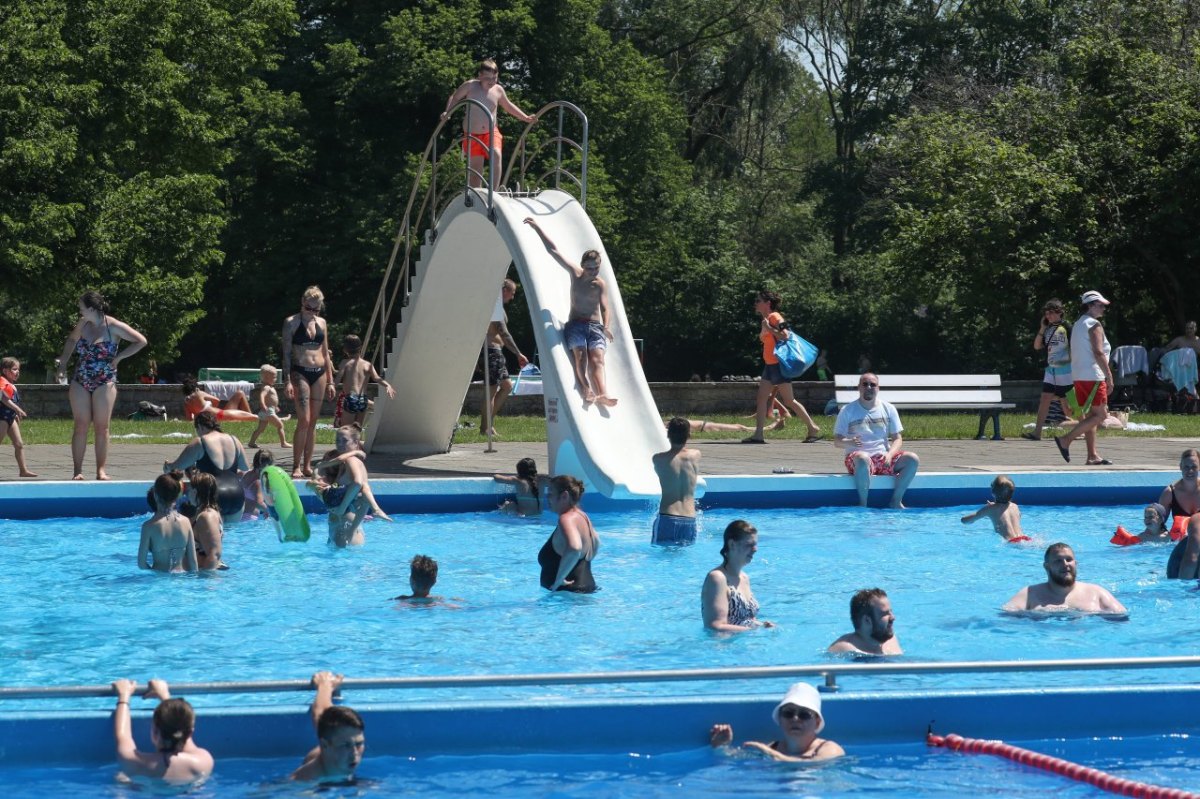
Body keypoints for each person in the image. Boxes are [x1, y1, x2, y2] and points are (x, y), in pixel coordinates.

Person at [523, 217, 618, 406]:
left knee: (597, 359)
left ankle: (603, 393)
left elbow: (606, 307)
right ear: (583, 266)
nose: (593, 271)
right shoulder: (575, 274)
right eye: (590, 267)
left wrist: (606, 327)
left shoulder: (600, 284)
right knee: (581, 356)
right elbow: (554, 250)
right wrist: (537, 228)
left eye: (596, 267)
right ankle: (586, 388)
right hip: (575, 325)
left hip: (595, 327)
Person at [55, 290, 147, 480]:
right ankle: (77, 471)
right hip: (81, 378)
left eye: (81, 307)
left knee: (101, 426)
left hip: (105, 380)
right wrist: (62, 365)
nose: (80, 311)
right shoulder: (83, 324)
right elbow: (71, 340)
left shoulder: (113, 326)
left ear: (91, 308)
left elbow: (141, 341)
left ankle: (100, 470)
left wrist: (120, 357)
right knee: (80, 425)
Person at [741, 291, 822, 444]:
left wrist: (769, 328)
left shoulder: (775, 317)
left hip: (778, 365)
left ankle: (813, 428)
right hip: (770, 365)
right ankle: (758, 434)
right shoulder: (765, 319)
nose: (755, 303)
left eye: (758, 300)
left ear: (767, 303)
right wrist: (765, 329)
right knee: (761, 398)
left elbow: (785, 335)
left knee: (789, 401)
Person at [441, 58, 536, 189]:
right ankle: (477, 195)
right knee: (475, 173)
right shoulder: (470, 86)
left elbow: (508, 106)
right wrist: (448, 112)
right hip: (472, 134)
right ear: (479, 76)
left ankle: (494, 191)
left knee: (496, 154)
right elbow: (455, 97)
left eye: (494, 78)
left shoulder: (498, 90)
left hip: (491, 132)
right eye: (488, 78)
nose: (491, 82)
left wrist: (525, 117)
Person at [833, 373, 920, 509]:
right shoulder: (848, 410)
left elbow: (897, 438)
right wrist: (849, 442)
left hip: (883, 459)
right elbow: (837, 441)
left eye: (872, 385)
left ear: (878, 388)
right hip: (858, 461)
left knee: (912, 459)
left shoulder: (888, 408)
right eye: (865, 384)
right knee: (862, 457)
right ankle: (863, 504)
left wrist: (890, 454)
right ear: (859, 388)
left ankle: (896, 501)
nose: (869, 387)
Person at [111, 678, 213, 785]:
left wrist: (124, 695)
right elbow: (182, 732)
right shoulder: (203, 761)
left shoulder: (135, 762)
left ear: (155, 731)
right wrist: (165, 695)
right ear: (190, 733)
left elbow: (123, 735)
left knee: (122, 778)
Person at [710, 682, 844, 762]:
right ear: (779, 719)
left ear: (817, 721)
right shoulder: (771, 748)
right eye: (788, 713)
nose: (795, 719)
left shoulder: (829, 749)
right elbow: (738, 760)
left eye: (804, 714)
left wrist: (773, 755)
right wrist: (721, 747)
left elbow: (813, 764)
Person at [1054, 290, 1114, 466]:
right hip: (1093, 375)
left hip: (1079, 375)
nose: (1103, 308)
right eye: (1100, 305)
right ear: (1089, 305)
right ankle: (1066, 440)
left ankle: (1092, 455)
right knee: (1101, 415)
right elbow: (1098, 352)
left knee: (1089, 416)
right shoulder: (1094, 325)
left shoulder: (1079, 324)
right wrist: (1109, 376)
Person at [283, 286, 336, 478]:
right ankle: (296, 465)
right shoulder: (291, 323)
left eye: (316, 309)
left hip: (319, 372)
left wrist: (330, 381)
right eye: (309, 308)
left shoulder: (321, 323)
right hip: (300, 371)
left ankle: (307, 465)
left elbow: (325, 352)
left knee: (313, 421)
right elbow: (287, 354)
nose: (312, 312)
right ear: (302, 303)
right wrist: (287, 380)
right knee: (303, 420)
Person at [164, 411, 249, 524]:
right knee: (231, 537)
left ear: (199, 426)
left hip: (212, 495)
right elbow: (245, 468)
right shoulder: (234, 440)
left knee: (210, 537)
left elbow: (178, 466)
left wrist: (168, 466)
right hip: (237, 495)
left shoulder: (201, 442)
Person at [1003, 542, 1128, 615]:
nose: (1065, 564)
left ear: (1076, 563)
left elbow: (1122, 618)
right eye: (1058, 561)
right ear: (1047, 567)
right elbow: (1006, 618)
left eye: (1069, 559)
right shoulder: (1030, 594)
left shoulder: (1096, 592)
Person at [290, 671, 365, 782]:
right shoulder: (304, 784)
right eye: (345, 745)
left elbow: (320, 711)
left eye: (359, 744)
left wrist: (325, 685)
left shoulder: (332, 738)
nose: (354, 753)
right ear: (324, 745)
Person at [701, 520, 773, 631]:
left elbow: (747, 619)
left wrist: (761, 625)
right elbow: (715, 627)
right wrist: (755, 630)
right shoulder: (717, 578)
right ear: (732, 544)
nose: (755, 549)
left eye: (755, 545)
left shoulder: (744, 578)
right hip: (724, 646)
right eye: (749, 544)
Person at [479, 280, 528, 435]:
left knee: (507, 386)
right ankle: (485, 428)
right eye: (512, 293)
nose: (512, 297)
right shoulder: (495, 306)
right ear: (505, 290)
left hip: (496, 352)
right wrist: (518, 353)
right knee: (492, 390)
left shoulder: (496, 306)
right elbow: (504, 333)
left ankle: (487, 424)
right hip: (491, 351)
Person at [1023, 299, 1076, 440]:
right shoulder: (1047, 329)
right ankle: (1037, 432)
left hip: (1065, 370)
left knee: (1071, 405)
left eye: (1051, 313)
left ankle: (1084, 428)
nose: (1048, 316)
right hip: (1051, 370)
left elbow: (1075, 347)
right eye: (1046, 313)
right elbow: (1036, 346)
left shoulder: (1067, 327)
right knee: (1045, 398)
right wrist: (1042, 328)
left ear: (1059, 312)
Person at [538, 475, 599, 592]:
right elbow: (596, 542)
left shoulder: (566, 519)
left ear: (564, 496)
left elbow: (575, 548)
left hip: (567, 595)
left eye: (550, 494)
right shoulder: (583, 516)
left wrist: (559, 579)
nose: (547, 499)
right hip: (586, 587)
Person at [651, 417, 701, 545]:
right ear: (689, 435)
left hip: (668, 517)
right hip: (689, 519)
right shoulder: (695, 455)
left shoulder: (658, 459)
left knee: (661, 557)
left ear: (668, 434)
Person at [138, 472, 198, 573]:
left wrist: (155, 573)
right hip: (181, 581)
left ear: (155, 495)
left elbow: (141, 564)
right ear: (177, 496)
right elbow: (193, 563)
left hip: (159, 581)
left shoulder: (148, 527)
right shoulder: (186, 522)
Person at [335, 334, 395, 428]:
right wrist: (387, 385)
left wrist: (330, 387)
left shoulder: (345, 363)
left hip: (351, 397)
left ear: (345, 350)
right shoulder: (368, 364)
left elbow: (337, 380)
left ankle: (348, 442)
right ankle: (356, 442)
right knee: (357, 429)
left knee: (346, 430)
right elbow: (377, 378)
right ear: (361, 348)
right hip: (363, 399)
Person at [828, 588, 902, 655]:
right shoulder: (843, 650)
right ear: (867, 620)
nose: (893, 618)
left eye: (891, 612)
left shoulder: (890, 640)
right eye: (885, 614)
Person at [1163, 449, 1200, 578]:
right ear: (1180, 467)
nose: (1190, 471)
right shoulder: (1169, 493)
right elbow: (1157, 528)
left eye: (1194, 467)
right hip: (1177, 547)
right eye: (1186, 467)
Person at [960, 475, 1028, 542]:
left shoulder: (990, 509)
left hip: (1011, 542)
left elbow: (965, 521)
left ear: (993, 493)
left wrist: (987, 511)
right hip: (1024, 539)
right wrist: (993, 509)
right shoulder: (1015, 506)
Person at [0, 357, 36, 476]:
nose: (18, 372)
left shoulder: (11, 384)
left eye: (18, 369)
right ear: (5, 371)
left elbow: (12, 400)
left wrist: (14, 414)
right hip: (2, 417)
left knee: (19, 444)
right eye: (14, 369)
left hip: (10, 417)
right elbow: (4, 399)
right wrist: (18, 409)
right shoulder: (2, 381)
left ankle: (23, 470)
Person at [185, 472, 226, 570]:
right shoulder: (205, 513)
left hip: (206, 575)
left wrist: (205, 582)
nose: (187, 493)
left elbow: (214, 553)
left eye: (189, 489)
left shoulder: (207, 517)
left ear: (195, 492)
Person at [180, 374, 256, 422]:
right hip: (219, 414)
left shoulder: (186, 402)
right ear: (195, 387)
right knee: (252, 417)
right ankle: (257, 419)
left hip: (214, 417)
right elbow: (216, 400)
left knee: (242, 418)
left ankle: (253, 419)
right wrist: (213, 407)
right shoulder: (199, 393)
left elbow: (189, 419)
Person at [247, 365, 290, 449]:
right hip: (268, 411)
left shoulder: (269, 387)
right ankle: (283, 442)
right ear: (266, 377)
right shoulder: (266, 387)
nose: (275, 379)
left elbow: (270, 399)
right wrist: (263, 404)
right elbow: (262, 396)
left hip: (266, 411)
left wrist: (275, 406)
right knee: (280, 425)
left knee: (260, 429)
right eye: (274, 377)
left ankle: (251, 442)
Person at [241, 448, 275, 519]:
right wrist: (268, 510)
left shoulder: (245, 474)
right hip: (250, 518)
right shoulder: (258, 482)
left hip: (240, 516)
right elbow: (259, 503)